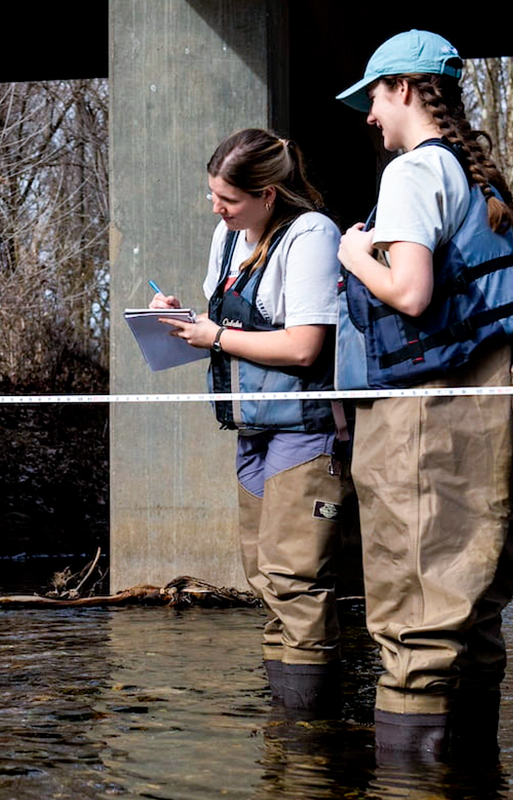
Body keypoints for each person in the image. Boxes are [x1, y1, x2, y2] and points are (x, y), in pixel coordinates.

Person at [336, 30, 513, 757]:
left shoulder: (414, 175)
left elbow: (411, 294)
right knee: (469, 607)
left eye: (375, 97)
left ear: (406, 89)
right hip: (477, 417)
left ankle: (409, 778)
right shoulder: (480, 179)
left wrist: (354, 251)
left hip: (421, 417)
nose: (370, 115)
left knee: (414, 610)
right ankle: (471, 774)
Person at [151, 129, 348, 714]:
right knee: (264, 578)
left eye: (227, 199)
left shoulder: (312, 233)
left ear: (267, 194)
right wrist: (185, 323)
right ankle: (282, 728)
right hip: (252, 428)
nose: (216, 207)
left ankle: (309, 734)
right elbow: (227, 335)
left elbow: (306, 347)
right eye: (213, 194)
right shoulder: (227, 235)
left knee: (296, 579)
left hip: (305, 428)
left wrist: (215, 335)